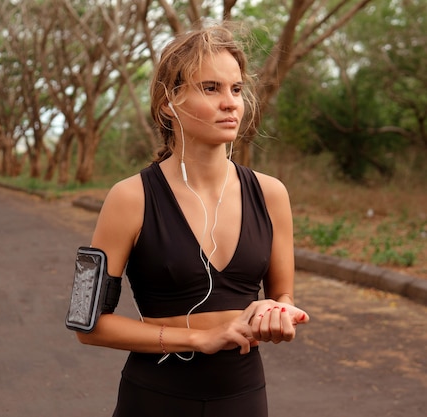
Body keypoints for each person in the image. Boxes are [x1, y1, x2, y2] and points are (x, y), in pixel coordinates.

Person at [73, 22, 310, 417]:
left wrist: (278, 313)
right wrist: (201, 338)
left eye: (236, 89)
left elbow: (282, 297)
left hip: (244, 399)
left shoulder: (272, 195)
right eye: (211, 88)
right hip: (154, 400)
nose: (231, 102)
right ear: (169, 101)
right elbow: (87, 324)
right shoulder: (128, 198)